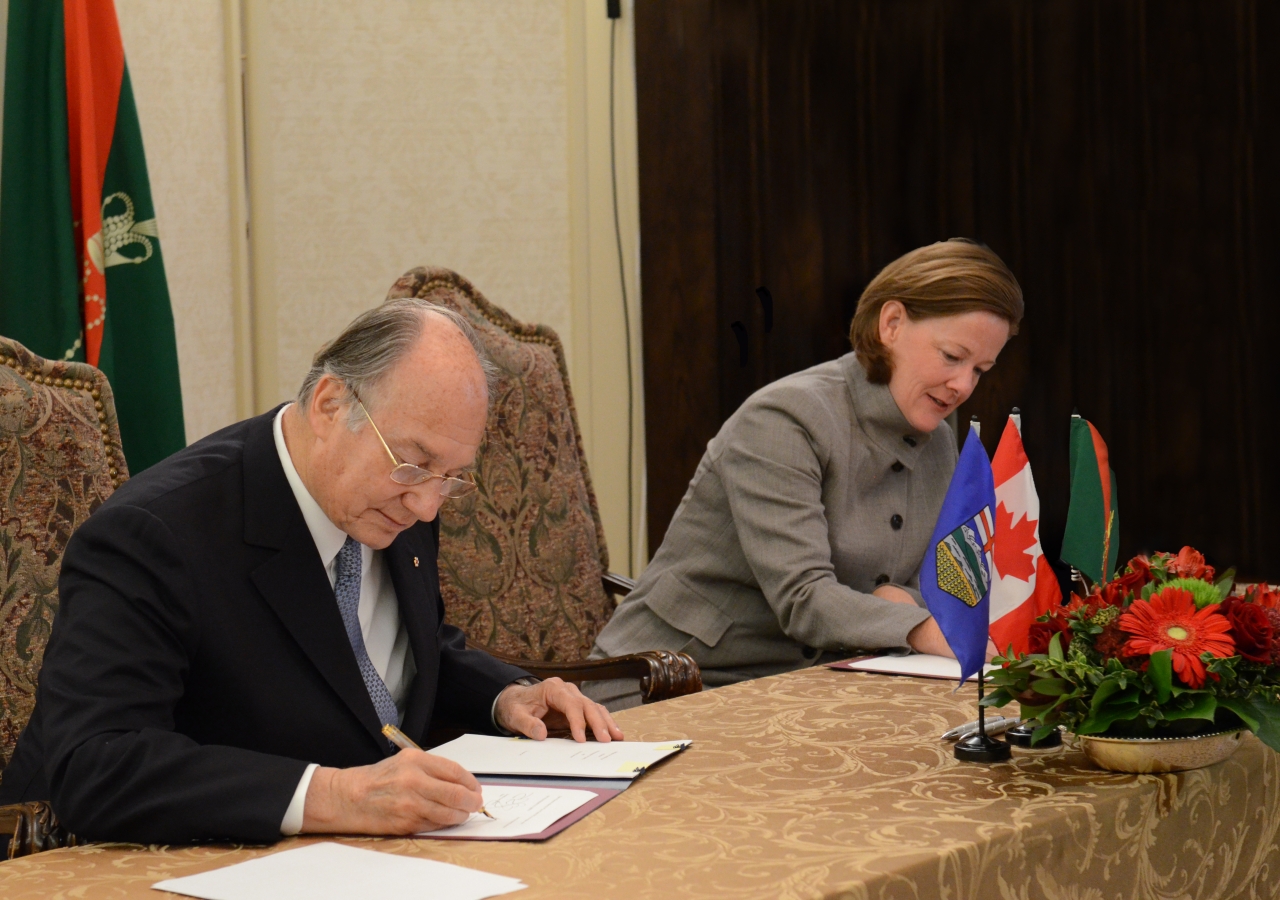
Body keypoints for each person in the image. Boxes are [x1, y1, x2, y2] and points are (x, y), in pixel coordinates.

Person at [0, 300, 622, 843]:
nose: (428, 504)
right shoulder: (156, 534)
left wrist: (507, 696)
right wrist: (341, 796)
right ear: (330, 404)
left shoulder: (398, 493)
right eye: (414, 465)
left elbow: (394, 655)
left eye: (452, 478)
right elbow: (96, 765)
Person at [588, 239, 1022, 709]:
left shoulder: (938, 435)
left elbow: (927, 580)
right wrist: (916, 624)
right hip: (670, 684)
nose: (963, 386)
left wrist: (903, 599)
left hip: (807, 686)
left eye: (980, 370)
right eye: (952, 357)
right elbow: (803, 598)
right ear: (891, 324)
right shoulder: (784, 418)